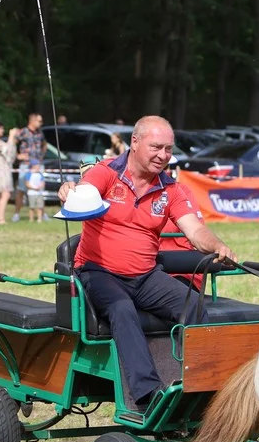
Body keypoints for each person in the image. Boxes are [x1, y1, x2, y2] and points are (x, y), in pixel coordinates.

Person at [57, 115, 235, 412]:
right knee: (121, 308)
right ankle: (147, 397)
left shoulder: (171, 189)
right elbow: (82, 193)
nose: (163, 155)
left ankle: (204, 387)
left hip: (145, 274)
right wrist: (69, 191)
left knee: (191, 303)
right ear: (135, 143)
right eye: (156, 147)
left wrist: (217, 245)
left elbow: (195, 230)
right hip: (97, 271)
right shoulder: (107, 173)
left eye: (168, 149)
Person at [12, 113, 47, 222]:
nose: (41, 123)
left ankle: (42, 214)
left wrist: (41, 156)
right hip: (26, 165)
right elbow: (13, 142)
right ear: (32, 121)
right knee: (21, 189)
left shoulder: (40, 132)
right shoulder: (23, 132)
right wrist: (17, 155)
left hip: (38, 164)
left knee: (40, 188)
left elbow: (44, 144)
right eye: (39, 121)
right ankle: (17, 214)